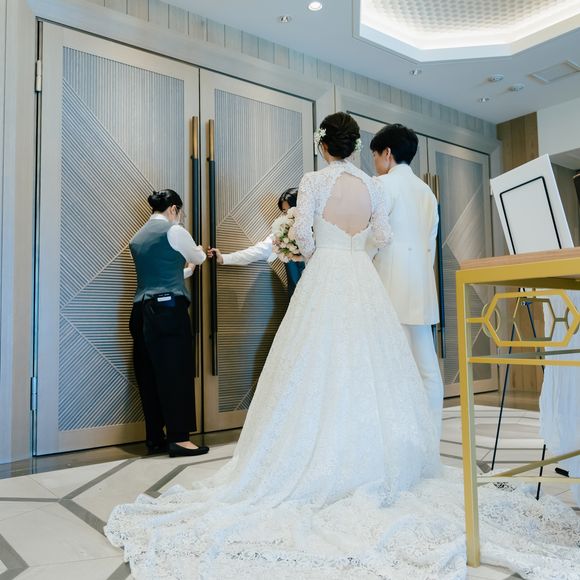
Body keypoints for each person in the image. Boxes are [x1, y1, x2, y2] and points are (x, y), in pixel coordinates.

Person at [107, 118, 579, 579]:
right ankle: (389, 452)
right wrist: (355, 250)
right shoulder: (373, 185)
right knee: (375, 366)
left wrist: (322, 255)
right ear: (355, 147)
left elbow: (304, 235)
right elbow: (384, 235)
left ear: (323, 146)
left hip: (328, 272)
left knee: (314, 363)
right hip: (364, 277)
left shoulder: (314, 180)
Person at [370, 123, 444, 439]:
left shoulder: (382, 185)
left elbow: (374, 239)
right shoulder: (427, 193)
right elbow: (430, 245)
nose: (375, 162)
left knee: (391, 367)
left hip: (389, 286)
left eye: (375, 155)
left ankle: (398, 441)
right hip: (421, 287)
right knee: (427, 368)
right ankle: (430, 438)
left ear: (387, 153)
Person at [129, 189, 209, 458]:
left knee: (149, 375)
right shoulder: (175, 231)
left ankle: (155, 438)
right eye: (181, 213)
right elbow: (198, 257)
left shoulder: (137, 237)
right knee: (175, 372)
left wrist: (185, 271)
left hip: (140, 310)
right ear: (173, 208)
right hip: (167, 311)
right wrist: (198, 252)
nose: (181, 217)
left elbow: (159, 273)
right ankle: (180, 438)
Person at [207, 188, 305, 297]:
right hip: (297, 295)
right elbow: (257, 252)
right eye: (285, 212)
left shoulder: (317, 230)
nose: (288, 215)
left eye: (291, 210)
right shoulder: (281, 233)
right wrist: (224, 258)